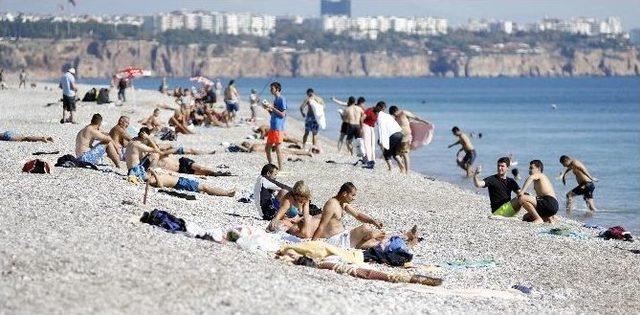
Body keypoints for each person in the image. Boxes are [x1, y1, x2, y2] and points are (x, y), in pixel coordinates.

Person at [311, 182, 385, 249]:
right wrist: (312, 244)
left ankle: (361, 244)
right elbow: (322, 225)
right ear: (344, 194)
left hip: (344, 236)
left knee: (378, 236)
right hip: (337, 240)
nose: (354, 198)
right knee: (365, 228)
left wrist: (372, 221)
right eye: (352, 195)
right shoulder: (331, 204)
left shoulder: (342, 203)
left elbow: (358, 215)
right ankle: (363, 242)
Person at [388, 105, 429, 174]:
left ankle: (407, 171)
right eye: (393, 115)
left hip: (406, 136)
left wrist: (425, 122)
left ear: (396, 110)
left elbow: (415, 117)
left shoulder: (404, 113)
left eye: (395, 114)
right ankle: (402, 169)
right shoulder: (395, 117)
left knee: (405, 153)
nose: (394, 115)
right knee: (397, 154)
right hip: (398, 136)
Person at [518, 160, 559, 224]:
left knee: (521, 198)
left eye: (531, 168)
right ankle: (548, 218)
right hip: (552, 206)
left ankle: (538, 219)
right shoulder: (540, 179)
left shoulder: (539, 175)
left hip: (549, 202)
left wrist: (522, 192)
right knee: (525, 217)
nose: (529, 170)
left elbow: (530, 178)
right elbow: (540, 197)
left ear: (538, 168)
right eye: (529, 168)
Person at [375, 102, 405, 172]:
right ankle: (402, 167)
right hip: (399, 134)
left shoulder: (379, 116)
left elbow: (381, 129)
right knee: (395, 153)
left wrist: (381, 140)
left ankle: (390, 168)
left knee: (386, 153)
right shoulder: (388, 116)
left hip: (393, 135)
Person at [264, 82, 287, 170]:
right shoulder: (275, 99)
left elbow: (282, 115)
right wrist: (268, 109)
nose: (270, 90)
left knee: (278, 149)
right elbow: (274, 114)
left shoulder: (282, 99)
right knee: (267, 148)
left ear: (277, 89)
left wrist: (272, 108)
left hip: (278, 128)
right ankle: (271, 167)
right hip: (272, 127)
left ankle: (280, 169)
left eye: (272, 89)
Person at [156, 155, 231, 177]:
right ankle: (217, 173)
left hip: (182, 162)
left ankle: (218, 173)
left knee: (200, 168)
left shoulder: (158, 154)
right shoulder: (154, 163)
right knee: (203, 173)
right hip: (181, 170)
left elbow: (163, 149)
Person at [361, 99, 382, 167]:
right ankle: (369, 160)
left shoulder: (377, 113)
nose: (381, 110)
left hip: (371, 128)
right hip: (365, 126)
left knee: (373, 145)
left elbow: (377, 122)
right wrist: (361, 128)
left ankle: (371, 159)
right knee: (367, 144)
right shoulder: (369, 110)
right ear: (378, 106)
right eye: (381, 108)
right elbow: (362, 118)